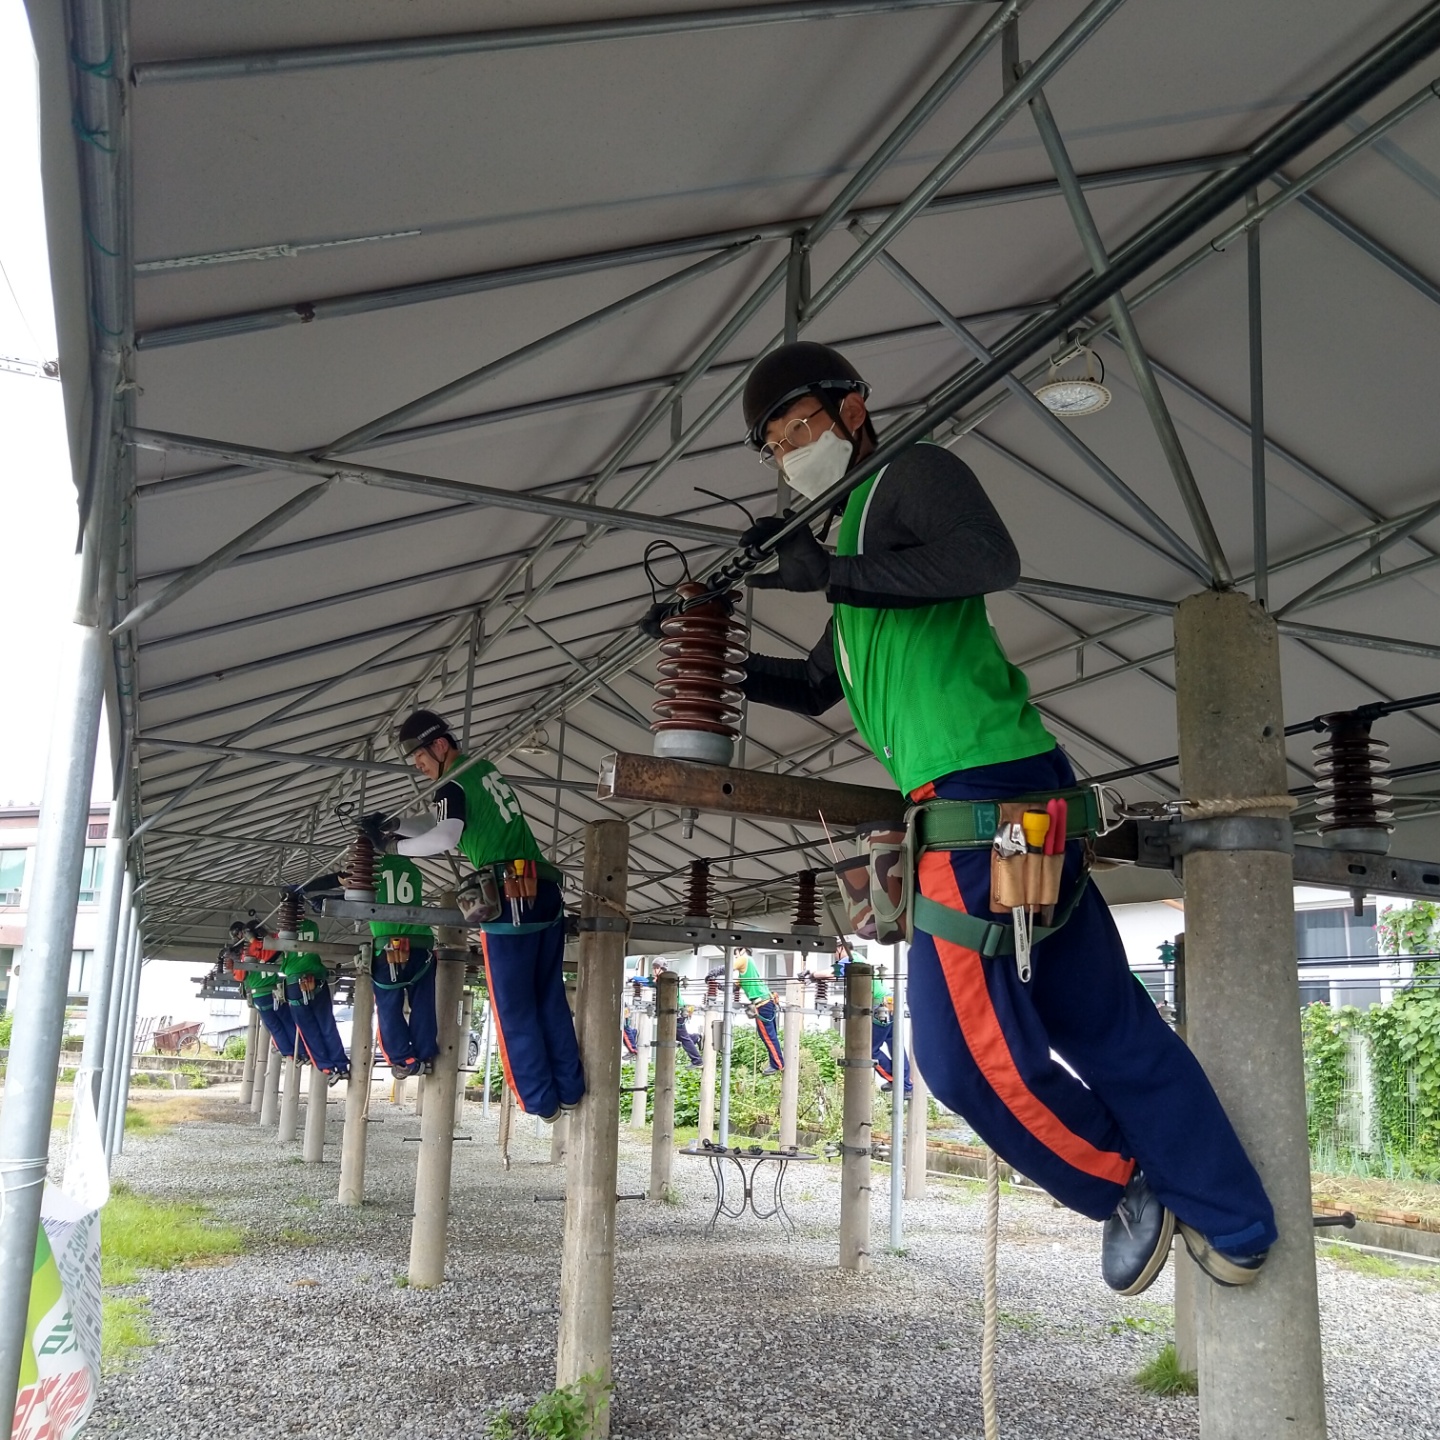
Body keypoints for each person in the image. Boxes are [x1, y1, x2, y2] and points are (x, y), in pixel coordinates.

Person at [722, 340, 1275, 1295]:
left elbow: (989, 557)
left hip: (979, 803)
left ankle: (1124, 1183)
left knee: (961, 1061)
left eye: (800, 426)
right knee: (1100, 1021)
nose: (789, 453)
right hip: (1023, 803)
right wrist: (715, 655)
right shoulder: (861, 569)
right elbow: (815, 687)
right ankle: (1237, 1222)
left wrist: (830, 572)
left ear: (852, 410)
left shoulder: (906, 475)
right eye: (774, 446)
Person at [367, 709, 584, 1123]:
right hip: (543, 891)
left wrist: (393, 848)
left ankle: (541, 1101)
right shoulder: (481, 771)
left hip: (509, 896)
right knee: (547, 993)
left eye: (421, 757)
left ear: (439, 745)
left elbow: (446, 834)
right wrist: (396, 825)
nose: (419, 766)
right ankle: (570, 1090)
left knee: (513, 1005)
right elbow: (440, 821)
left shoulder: (452, 780)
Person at [369, 853, 439, 1079]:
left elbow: (353, 893)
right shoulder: (414, 871)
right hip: (421, 948)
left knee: (388, 1006)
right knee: (424, 1003)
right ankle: (425, 1053)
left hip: (387, 947)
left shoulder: (371, 869)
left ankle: (403, 1059)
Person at [281, 913, 350, 1085]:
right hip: (318, 980)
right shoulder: (313, 926)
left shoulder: (283, 932)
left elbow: (274, 955)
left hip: (295, 984)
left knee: (309, 1031)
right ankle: (342, 1067)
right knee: (328, 1025)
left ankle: (327, 1068)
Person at [227, 920, 295, 1060]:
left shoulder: (246, 953)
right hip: (275, 993)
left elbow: (240, 977)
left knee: (275, 1027)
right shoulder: (265, 945)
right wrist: (263, 934)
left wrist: (236, 960)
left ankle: (289, 1053)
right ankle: (300, 1050)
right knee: (288, 1022)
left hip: (259, 995)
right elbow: (279, 942)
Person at [732, 950, 783, 1074]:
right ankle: (777, 1061)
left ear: (742, 951)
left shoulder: (744, 959)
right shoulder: (747, 971)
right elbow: (733, 986)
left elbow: (727, 967)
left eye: (736, 954)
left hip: (762, 1004)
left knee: (768, 1036)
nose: (736, 957)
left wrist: (713, 973)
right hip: (767, 1001)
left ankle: (778, 1064)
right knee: (771, 1035)